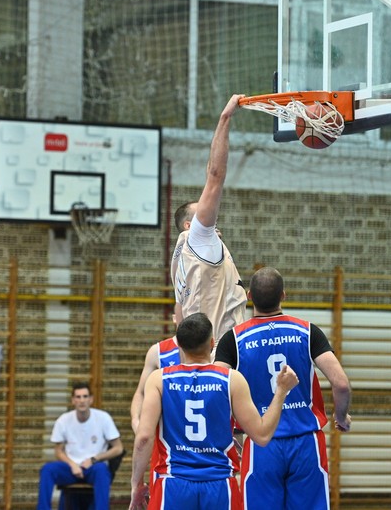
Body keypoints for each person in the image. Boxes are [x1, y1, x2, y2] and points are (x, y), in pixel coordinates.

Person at [214, 266, 353, 510]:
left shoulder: (233, 340)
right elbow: (341, 383)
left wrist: (232, 430)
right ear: (283, 295)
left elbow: (216, 391)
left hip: (262, 442)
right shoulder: (307, 332)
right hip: (307, 443)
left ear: (248, 296)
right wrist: (341, 416)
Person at [129, 312, 299, 510]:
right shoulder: (231, 379)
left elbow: (143, 438)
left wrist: (136, 483)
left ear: (179, 346)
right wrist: (281, 392)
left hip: (173, 484)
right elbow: (262, 436)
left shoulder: (159, 379)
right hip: (220, 485)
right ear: (212, 343)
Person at [171, 94, 248, 342]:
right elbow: (215, 176)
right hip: (221, 357)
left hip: (202, 354)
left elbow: (179, 317)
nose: (214, 218)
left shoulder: (183, 258)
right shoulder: (199, 240)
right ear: (188, 225)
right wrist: (225, 118)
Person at [37, 382, 124, 510]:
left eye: (85, 396)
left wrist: (94, 459)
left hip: (93, 467)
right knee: (47, 470)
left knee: (102, 471)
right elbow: (58, 451)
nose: (82, 400)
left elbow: (118, 448)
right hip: (71, 467)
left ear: (91, 399)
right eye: (78, 397)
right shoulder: (63, 420)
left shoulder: (103, 418)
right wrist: (72, 464)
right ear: (73, 400)